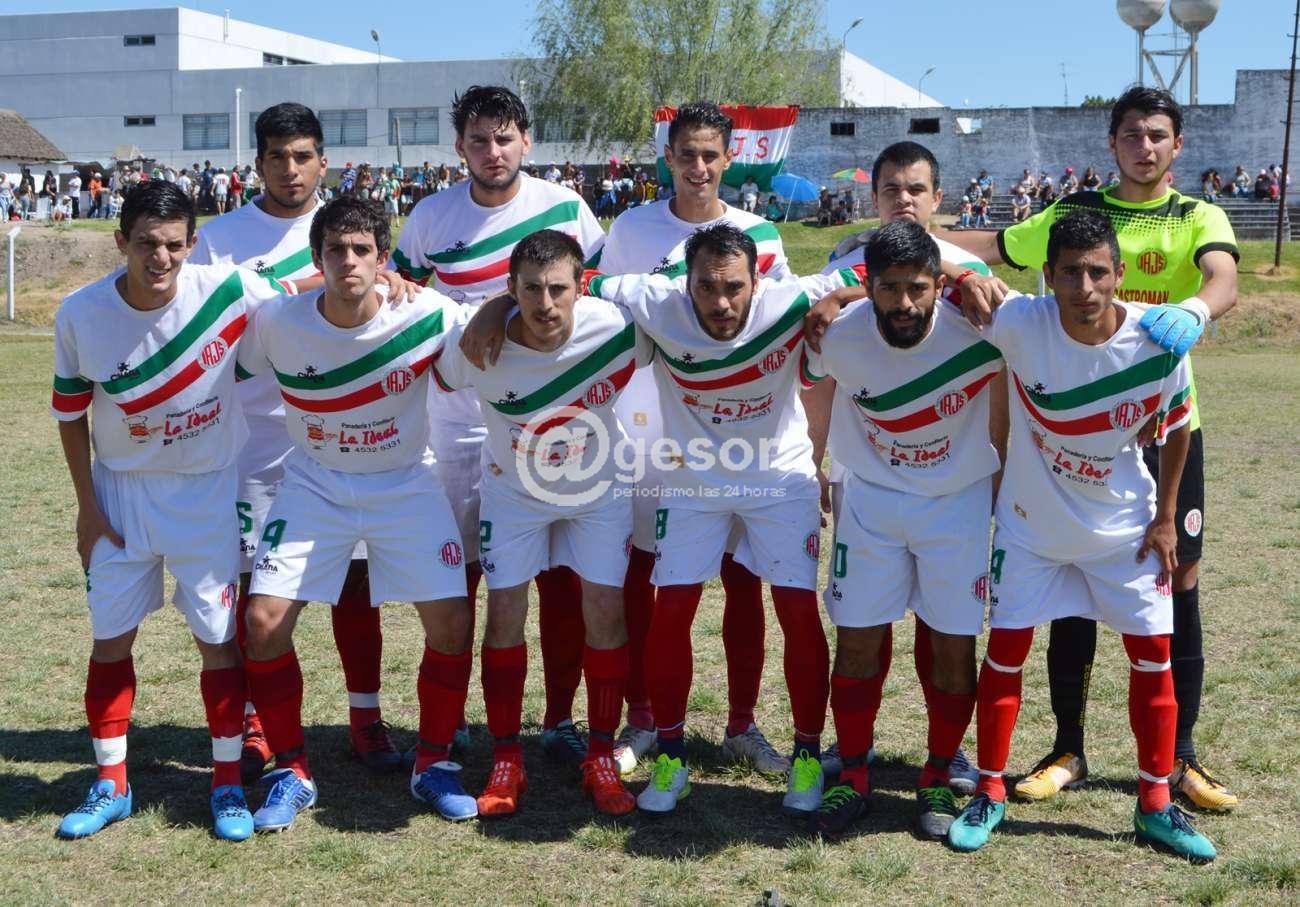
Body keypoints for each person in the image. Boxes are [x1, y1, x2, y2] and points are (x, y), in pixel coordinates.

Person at [941, 86, 1241, 812]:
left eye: (1158, 135)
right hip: (1073, 423)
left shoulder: (1197, 214)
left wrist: (1195, 311)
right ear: (1112, 143)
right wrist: (945, 255)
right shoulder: (1075, 213)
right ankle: (1067, 747)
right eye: (1132, 134)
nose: (1145, 146)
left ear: (1177, 145)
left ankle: (1179, 757)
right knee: (1068, 579)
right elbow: (995, 249)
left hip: (1160, 421)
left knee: (1178, 580)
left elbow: (1224, 279)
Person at [580, 225, 864, 817]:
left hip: (777, 478)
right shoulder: (655, 300)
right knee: (673, 608)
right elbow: (575, 278)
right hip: (693, 481)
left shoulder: (790, 298)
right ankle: (672, 758)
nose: (721, 302)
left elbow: (884, 269)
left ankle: (806, 757)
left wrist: (843, 294)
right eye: (706, 288)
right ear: (684, 284)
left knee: (796, 609)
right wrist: (498, 306)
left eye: (734, 287)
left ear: (758, 282)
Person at [49, 180, 285, 842]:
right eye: (146, 244)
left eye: (175, 246)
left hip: (205, 492)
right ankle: (111, 782)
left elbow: (311, 301)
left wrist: (394, 285)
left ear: (193, 243)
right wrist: (87, 509)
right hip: (120, 493)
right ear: (119, 241)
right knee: (110, 637)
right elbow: (69, 415)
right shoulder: (80, 312)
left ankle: (227, 781)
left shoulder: (228, 289)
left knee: (217, 638)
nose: (161, 259)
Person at [565, 101, 794, 779]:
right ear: (667, 157)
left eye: (709, 155)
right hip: (646, 426)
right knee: (648, 573)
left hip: (737, 436)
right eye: (685, 154)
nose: (698, 167)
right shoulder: (632, 228)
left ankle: (742, 724)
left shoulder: (761, 233)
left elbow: (781, 327)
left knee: (742, 578)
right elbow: (596, 306)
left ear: (729, 159)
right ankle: (643, 716)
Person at [188, 102, 415, 781]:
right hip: (255, 441)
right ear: (257, 163)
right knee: (255, 589)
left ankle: (365, 717)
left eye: (303, 156)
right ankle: (258, 721)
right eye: (277, 157)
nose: (290, 169)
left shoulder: (350, 230)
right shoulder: (221, 238)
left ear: (324, 161)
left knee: (356, 583)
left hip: (340, 435)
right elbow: (207, 328)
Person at [239, 196, 477, 831]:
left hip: (406, 483)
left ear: (383, 258)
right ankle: (291, 771)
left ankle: (433, 764)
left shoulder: (428, 313)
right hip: (314, 483)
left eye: (362, 250)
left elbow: (485, 335)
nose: (349, 260)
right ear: (317, 258)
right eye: (336, 250)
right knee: (263, 622)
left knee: (452, 622)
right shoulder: (276, 321)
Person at [390, 85, 606, 766]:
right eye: (479, 140)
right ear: (459, 147)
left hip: (550, 415)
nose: (493, 151)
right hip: (456, 419)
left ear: (527, 142)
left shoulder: (566, 207)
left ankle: (560, 717)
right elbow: (400, 295)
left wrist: (499, 309)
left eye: (505, 137)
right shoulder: (431, 216)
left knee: (561, 576)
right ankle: (452, 716)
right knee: (460, 573)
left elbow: (596, 294)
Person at [434, 230, 648, 817]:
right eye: (530, 290)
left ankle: (600, 757)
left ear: (581, 286)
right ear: (510, 288)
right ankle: (507, 759)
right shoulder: (476, 342)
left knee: (605, 611)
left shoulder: (618, 328)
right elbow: (441, 379)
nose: (545, 303)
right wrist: (488, 314)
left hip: (598, 492)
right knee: (504, 613)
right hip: (513, 494)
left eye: (558, 289)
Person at [800, 221, 1001, 838]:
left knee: (953, 645)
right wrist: (812, 466)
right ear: (868, 286)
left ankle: (937, 775)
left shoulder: (984, 324)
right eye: (889, 288)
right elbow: (803, 367)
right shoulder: (838, 334)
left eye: (918, 288)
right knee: (857, 639)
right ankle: (854, 774)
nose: (905, 303)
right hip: (870, 502)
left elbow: (1070, 317)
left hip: (957, 504)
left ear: (940, 284)